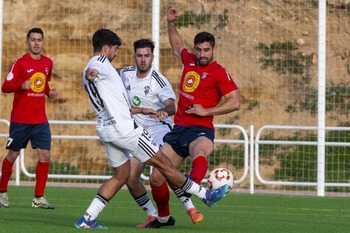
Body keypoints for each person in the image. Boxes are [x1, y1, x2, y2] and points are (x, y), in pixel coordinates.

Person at [74, 28, 229, 229]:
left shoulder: (95, 68)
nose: (116, 53)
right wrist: (93, 72)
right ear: (106, 48)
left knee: (122, 176)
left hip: (107, 130)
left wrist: (142, 110)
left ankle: (87, 218)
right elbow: (96, 69)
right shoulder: (100, 64)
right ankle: (204, 195)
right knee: (164, 165)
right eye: (115, 49)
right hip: (127, 130)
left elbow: (111, 98)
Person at [145, 5, 241, 228]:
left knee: (199, 151)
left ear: (213, 50)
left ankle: (194, 188)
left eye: (206, 50)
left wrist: (206, 111)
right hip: (178, 129)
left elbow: (235, 102)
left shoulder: (218, 72)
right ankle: (164, 218)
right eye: (199, 50)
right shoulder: (189, 60)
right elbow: (177, 45)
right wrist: (170, 23)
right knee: (156, 178)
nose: (202, 54)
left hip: (201, 130)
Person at [119, 38, 203, 227]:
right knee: (130, 178)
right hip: (137, 133)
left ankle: (190, 207)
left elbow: (171, 105)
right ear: (134, 56)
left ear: (152, 57)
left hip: (159, 131)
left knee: (164, 171)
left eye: (146, 56)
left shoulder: (158, 79)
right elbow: (111, 73)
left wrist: (164, 111)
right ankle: (153, 215)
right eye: (139, 55)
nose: (143, 60)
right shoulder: (126, 73)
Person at [0, 27, 58, 209]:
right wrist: (21, 85)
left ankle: (38, 198)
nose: (36, 43)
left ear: (43, 42)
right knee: (13, 154)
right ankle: (2, 192)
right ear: (27, 42)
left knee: (45, 155)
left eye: (39, 40)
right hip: (21, 119)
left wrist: (49, 92)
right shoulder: (20, 63)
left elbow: (43, 83)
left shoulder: (48, 63)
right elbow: (5, 87)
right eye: (33, 40)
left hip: (40, 119)